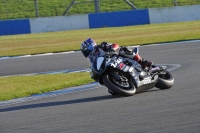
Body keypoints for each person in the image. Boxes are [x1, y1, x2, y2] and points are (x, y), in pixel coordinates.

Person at [80, 38, 152, 80]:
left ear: (92, 45)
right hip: (108, 66)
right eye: (85, 51)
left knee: (123, 50)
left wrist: (112, 49)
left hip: (117, 57)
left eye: (88, 49)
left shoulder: (101, 46)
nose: (87, 52)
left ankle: (142, 62)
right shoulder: (91, 59)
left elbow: (115, 45)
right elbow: (94, 67)